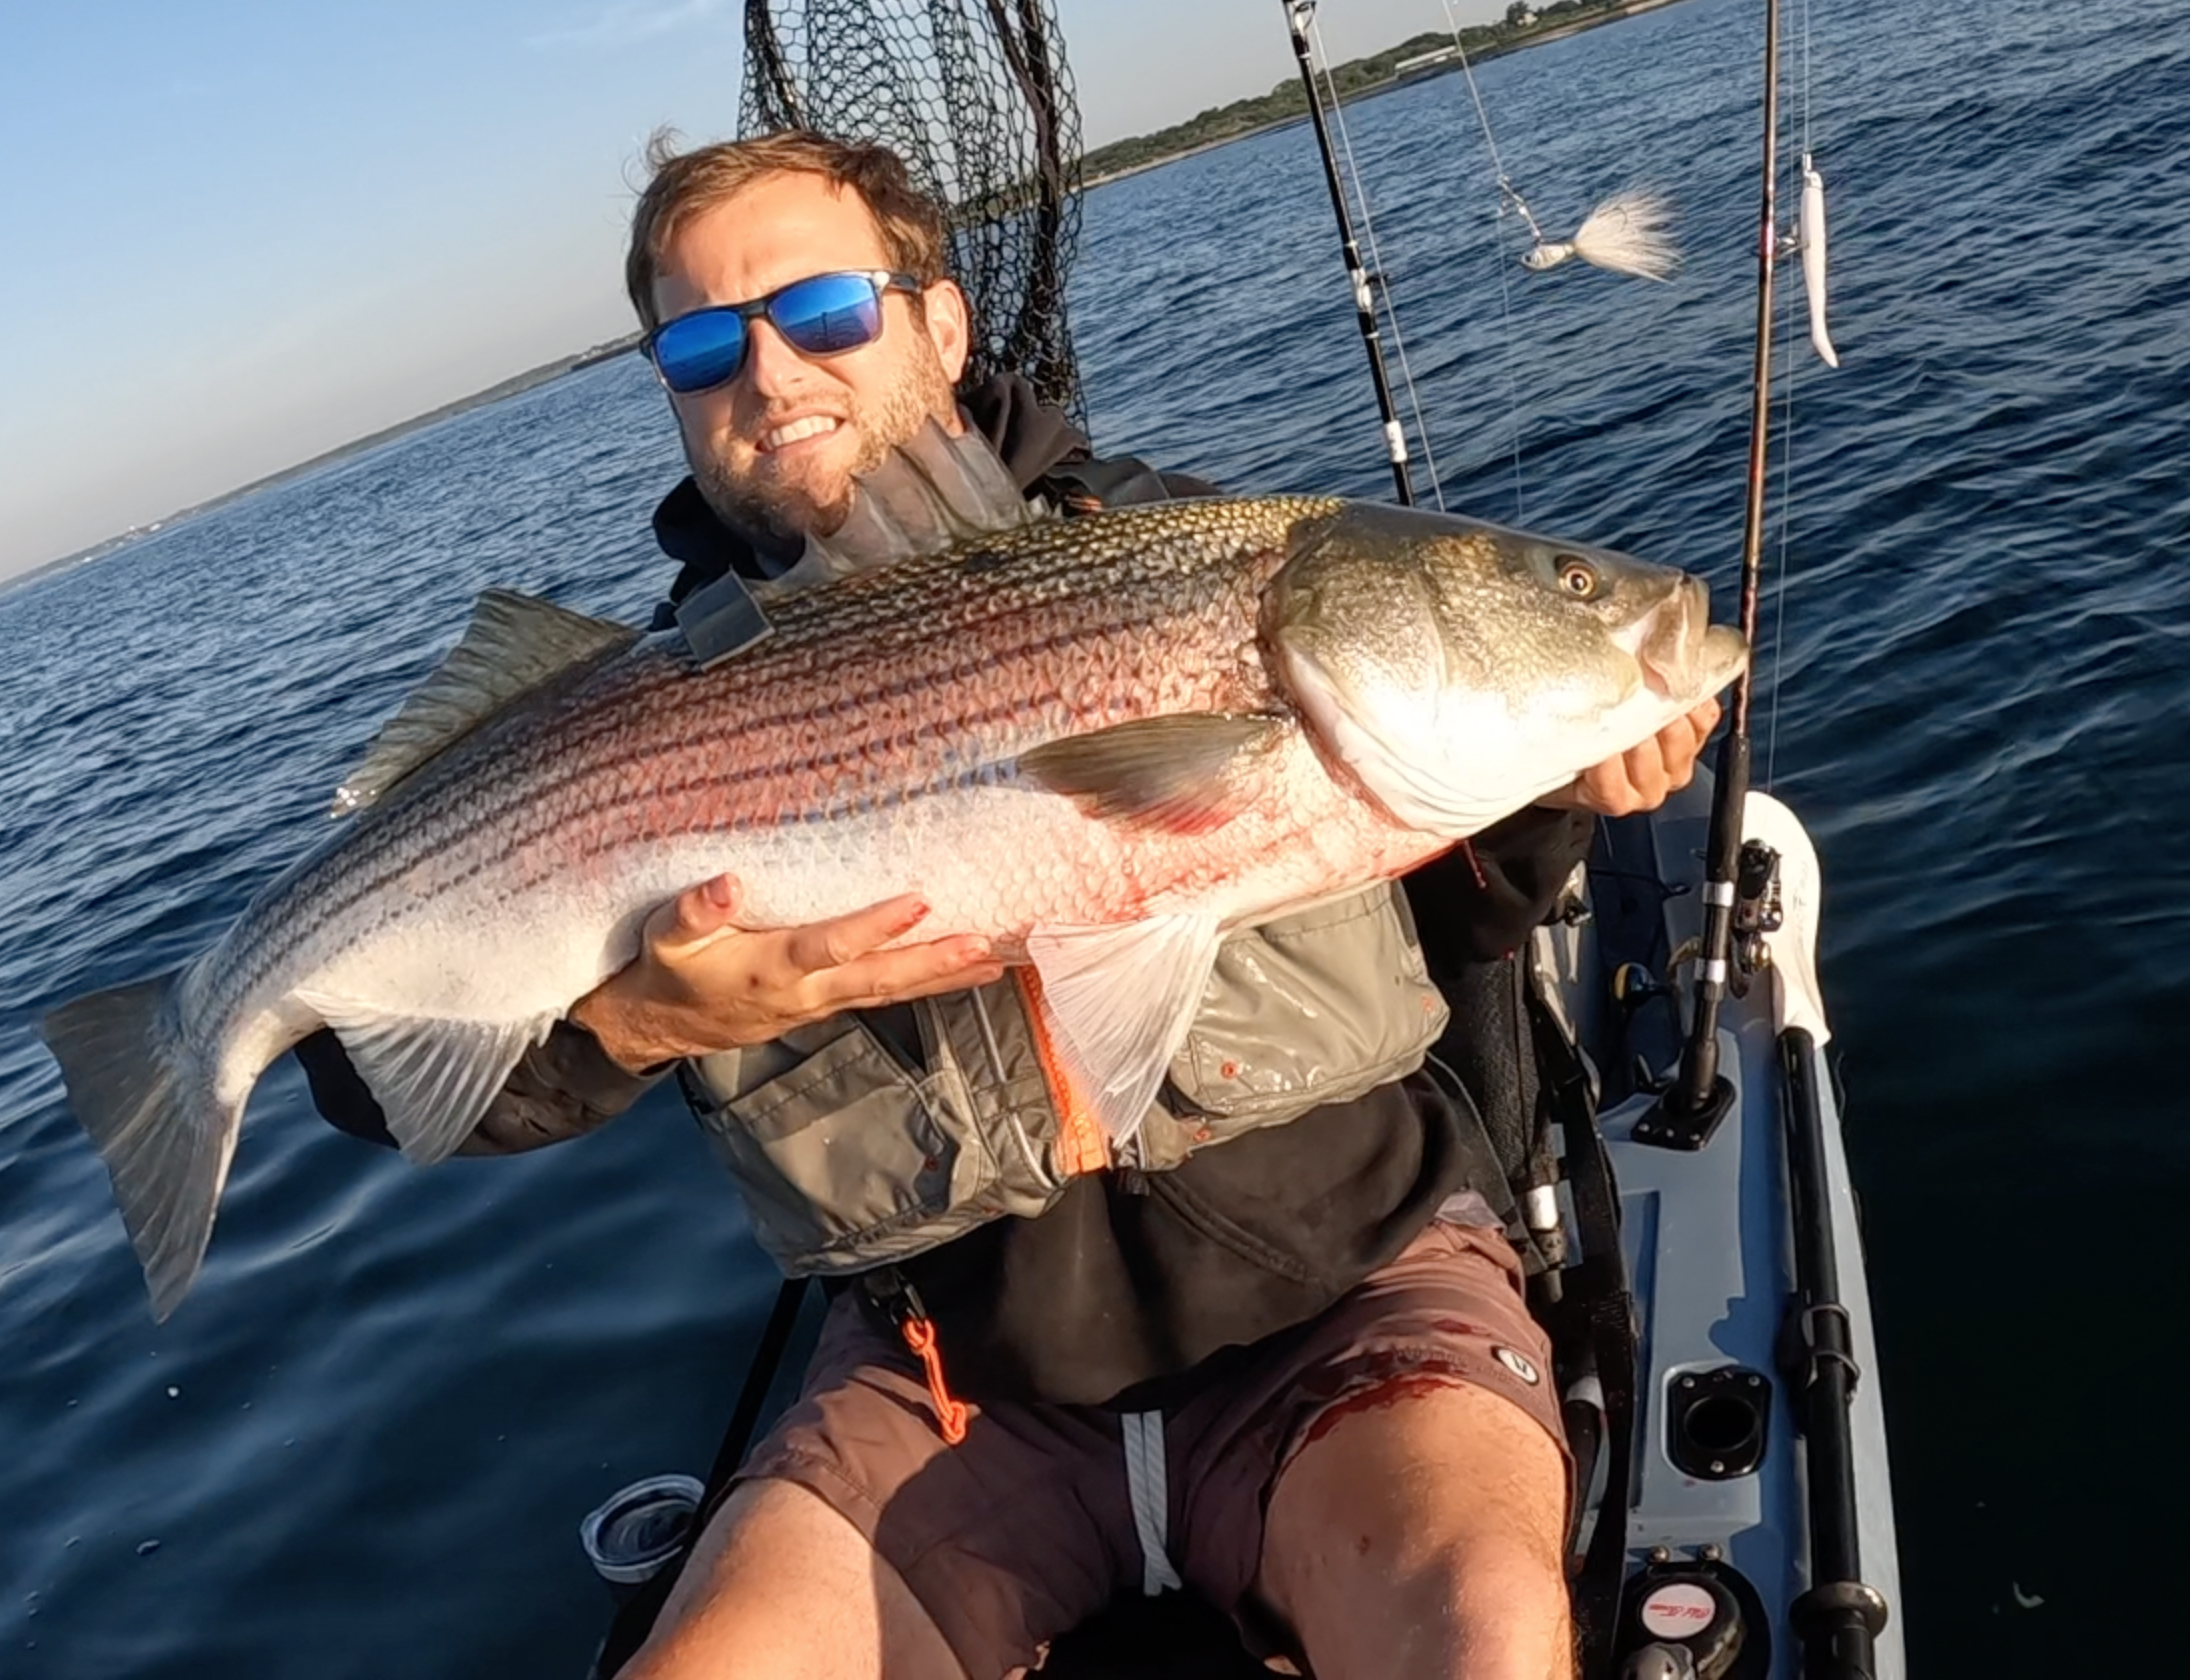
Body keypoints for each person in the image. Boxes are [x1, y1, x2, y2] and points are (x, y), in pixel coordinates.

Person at [297, 132, 1717, 1680]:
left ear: (942, 324)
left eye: (824, 310)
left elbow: (1462, 929)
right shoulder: (620, 711)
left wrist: (1568, 791)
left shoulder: (1213, 555)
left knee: (1485, 1635)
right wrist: (633, 1025)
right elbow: (369, 1074)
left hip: (1346, 1292)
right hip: (946, 1378)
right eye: (703, 344)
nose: (768, 376)